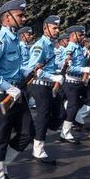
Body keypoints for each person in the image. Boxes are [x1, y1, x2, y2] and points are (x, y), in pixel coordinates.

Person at [0, 0, 36, 179]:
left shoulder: (14, 39)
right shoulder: (0, 40)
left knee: (27, 133)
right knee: (1, 138)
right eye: (20, 15)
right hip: (0, 96)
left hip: (16, 95)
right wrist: (8, 87)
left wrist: (26, 72)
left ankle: (2, 165)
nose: (24, 18)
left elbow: (15, 67)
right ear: (7, 17)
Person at [26, 15, 66, 165]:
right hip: (39, 84)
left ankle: (35, 132)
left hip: (49, 84)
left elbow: (47, 67)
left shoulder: (50, 45)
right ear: (45, 28)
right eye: (54, 27)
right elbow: (33, 69)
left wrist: (57, 71)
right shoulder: (40, 45)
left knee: (61, 114)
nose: (57, 30)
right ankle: (38, 150)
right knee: (43, 116)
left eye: (58, 28)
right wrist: (53, 77)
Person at [59, 25, 90, 144]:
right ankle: (65, 133)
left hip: (79, 82)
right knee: (72, 108)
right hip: (71, 82)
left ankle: (71, 121)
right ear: (73, 35)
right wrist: (83, 70)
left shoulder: (79, 48)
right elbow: (67, 67)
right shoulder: (70, 49)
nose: (83, 37)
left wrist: (87, 58)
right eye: (81, 34)